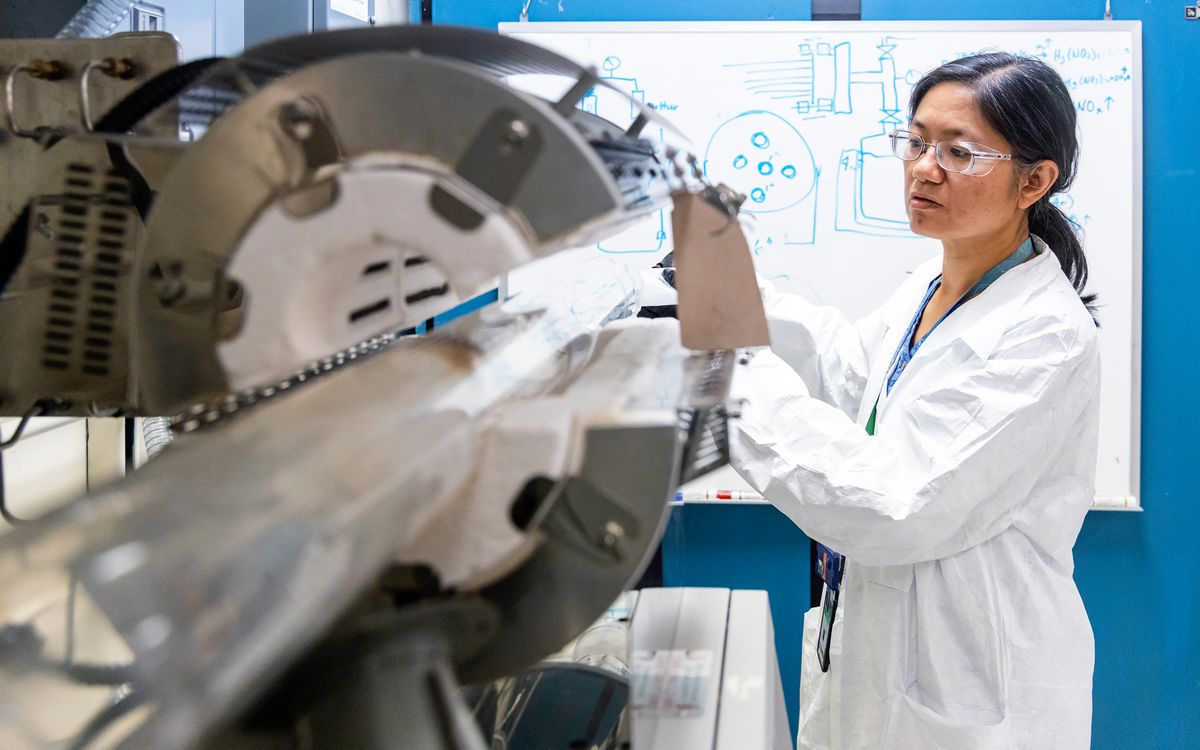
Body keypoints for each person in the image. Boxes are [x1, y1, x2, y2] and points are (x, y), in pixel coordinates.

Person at [730, 52, 1100, 749]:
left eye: (959, 152)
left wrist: (730, 374)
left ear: (1035, 180)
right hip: (883, 658)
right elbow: (850, 380)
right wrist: (737, 301)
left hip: (970, 685)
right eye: (918, 141)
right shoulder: (930, 288)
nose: (924, 167)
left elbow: (894, 505)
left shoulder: (1042, 335)